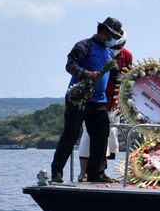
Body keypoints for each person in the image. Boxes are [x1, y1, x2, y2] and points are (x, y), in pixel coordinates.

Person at [50, 17, 124, 183]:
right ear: (103, 31)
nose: (112, 39)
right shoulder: (84, 46)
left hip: (98, 101)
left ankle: (95, 173)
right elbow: (70, 65)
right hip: (79, 99)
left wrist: (125, 80)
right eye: (110, 35)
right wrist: (86, 73)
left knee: (101, 135)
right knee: (71, 135)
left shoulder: (108, 53)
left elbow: (115, 74)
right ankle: (56, 172)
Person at [78, 40, 132, 180]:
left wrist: (122, 102)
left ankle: (100, 172)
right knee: (88, 137)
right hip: (94, 100)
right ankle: (83, 173)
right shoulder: (101, 51)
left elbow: (127, 80)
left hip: (113, 104)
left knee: (106, 139)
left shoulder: (127, 56)